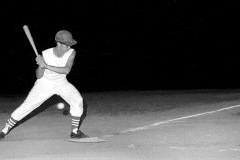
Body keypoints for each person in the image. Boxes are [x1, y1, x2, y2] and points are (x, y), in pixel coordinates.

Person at [0, 30, 88, 140]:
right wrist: (40, 66)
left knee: (78, 100)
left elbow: (66, 70)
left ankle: (74, 131)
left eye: (70, 45)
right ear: (58, 43)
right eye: (66, 45)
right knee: (27, 106)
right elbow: (38, 76)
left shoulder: (72, 52)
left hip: (61, 83)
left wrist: (46, 66)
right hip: (44, 84)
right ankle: (4, 130)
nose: (69, 47)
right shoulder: (46, 54)